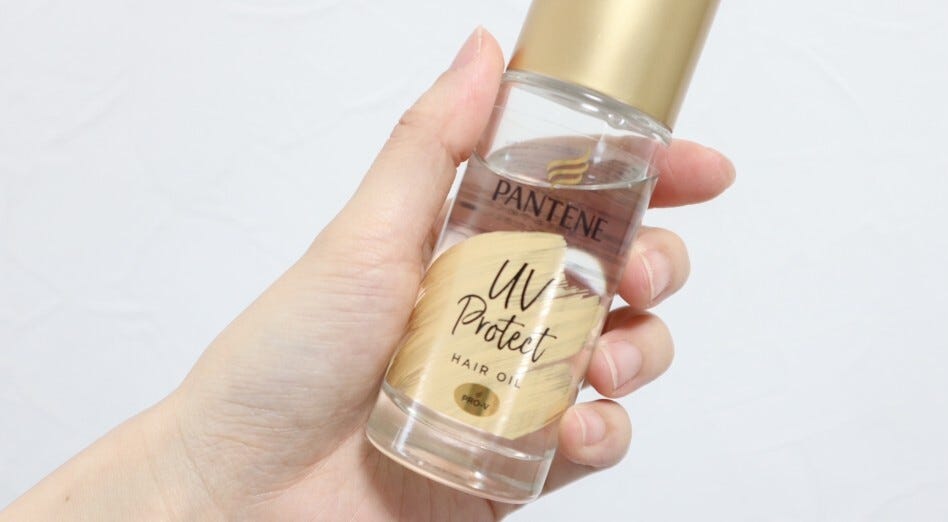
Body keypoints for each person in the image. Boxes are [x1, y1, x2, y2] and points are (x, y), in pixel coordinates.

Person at [1, 29, 735, 521]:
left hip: (476, 452)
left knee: (604, 306)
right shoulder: (529, 101)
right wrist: (204, 483)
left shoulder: (639, 146)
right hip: (392, 425)